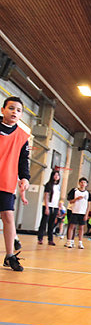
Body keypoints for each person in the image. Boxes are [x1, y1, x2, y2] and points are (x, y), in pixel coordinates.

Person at [1, 96, 30, 271]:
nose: (14, 112)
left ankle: (9, 255)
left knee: (8, 216)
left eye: (18, 110)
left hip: (6, 180)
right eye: (11, 108)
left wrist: (25, 177)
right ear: (3, 110)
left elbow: (23, 160)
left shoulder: (22, 136)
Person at [65, 177, 91, 249]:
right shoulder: (75, 191)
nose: (83, 184)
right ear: (79, 183)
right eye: (81, 182)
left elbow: (89, 205)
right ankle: (69, 241)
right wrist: (76, 199)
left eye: (84, 183)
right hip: (74, 212)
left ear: (86, 184)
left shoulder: (87, 193)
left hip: (82, 213)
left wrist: (86, 214)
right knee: (71, 227)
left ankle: (80, 242)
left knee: (81, 228)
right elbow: (70, 201)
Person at [37, 170, 61, 246]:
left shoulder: (58, 186)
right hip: (48, 206)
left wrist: (59, 208)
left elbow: (58, 198)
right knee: (44, 222)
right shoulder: (48, 185)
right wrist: (47, 207)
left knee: (51, 223)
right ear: (52, 176)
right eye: (55, 175)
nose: (56, 176)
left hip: (55, 206)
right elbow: (46, 196)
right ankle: (40, 238)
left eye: (58, 175)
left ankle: (50, 239)